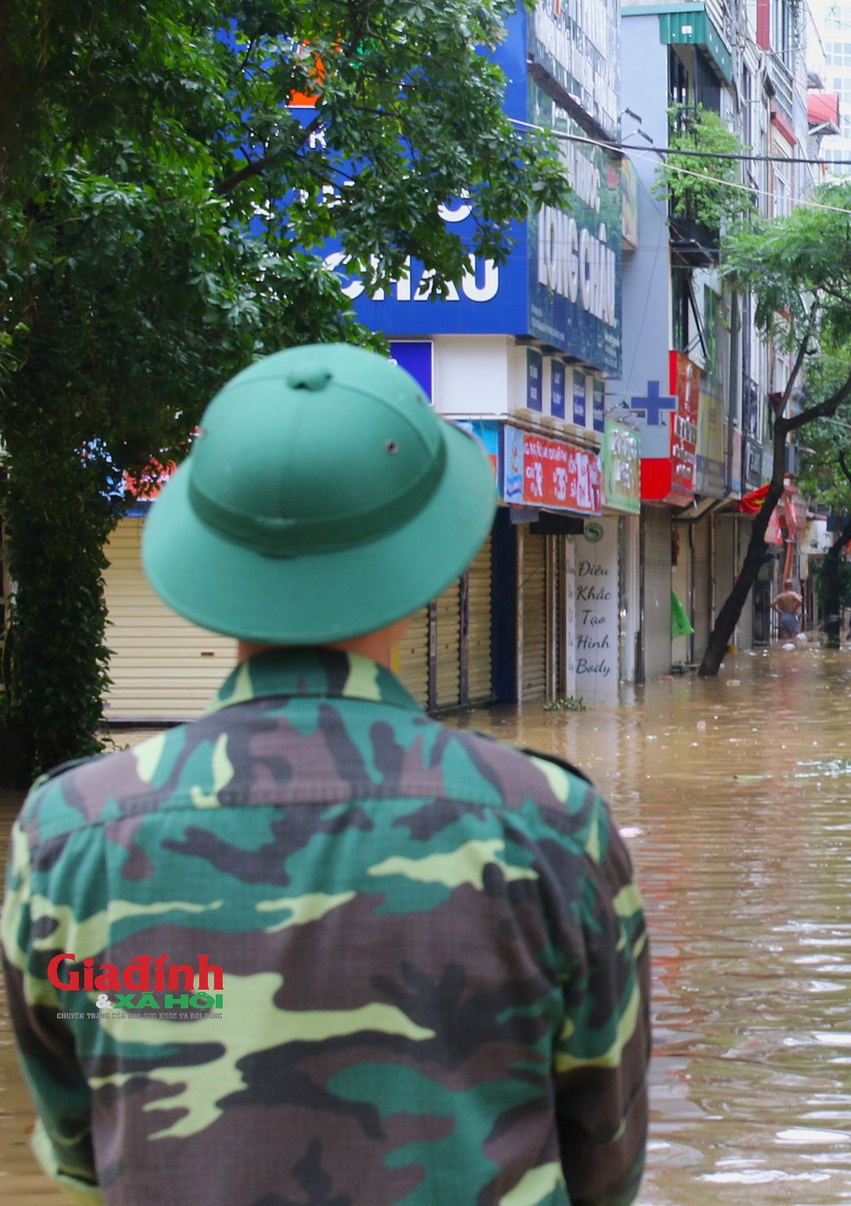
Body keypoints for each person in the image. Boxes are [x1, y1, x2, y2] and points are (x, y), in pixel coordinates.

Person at [0, 346, 649, 1205]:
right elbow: (605, 1160)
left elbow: (84, 1149)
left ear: (204, 551)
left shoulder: (69, 838)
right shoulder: (551, 830)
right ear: (424, 565)